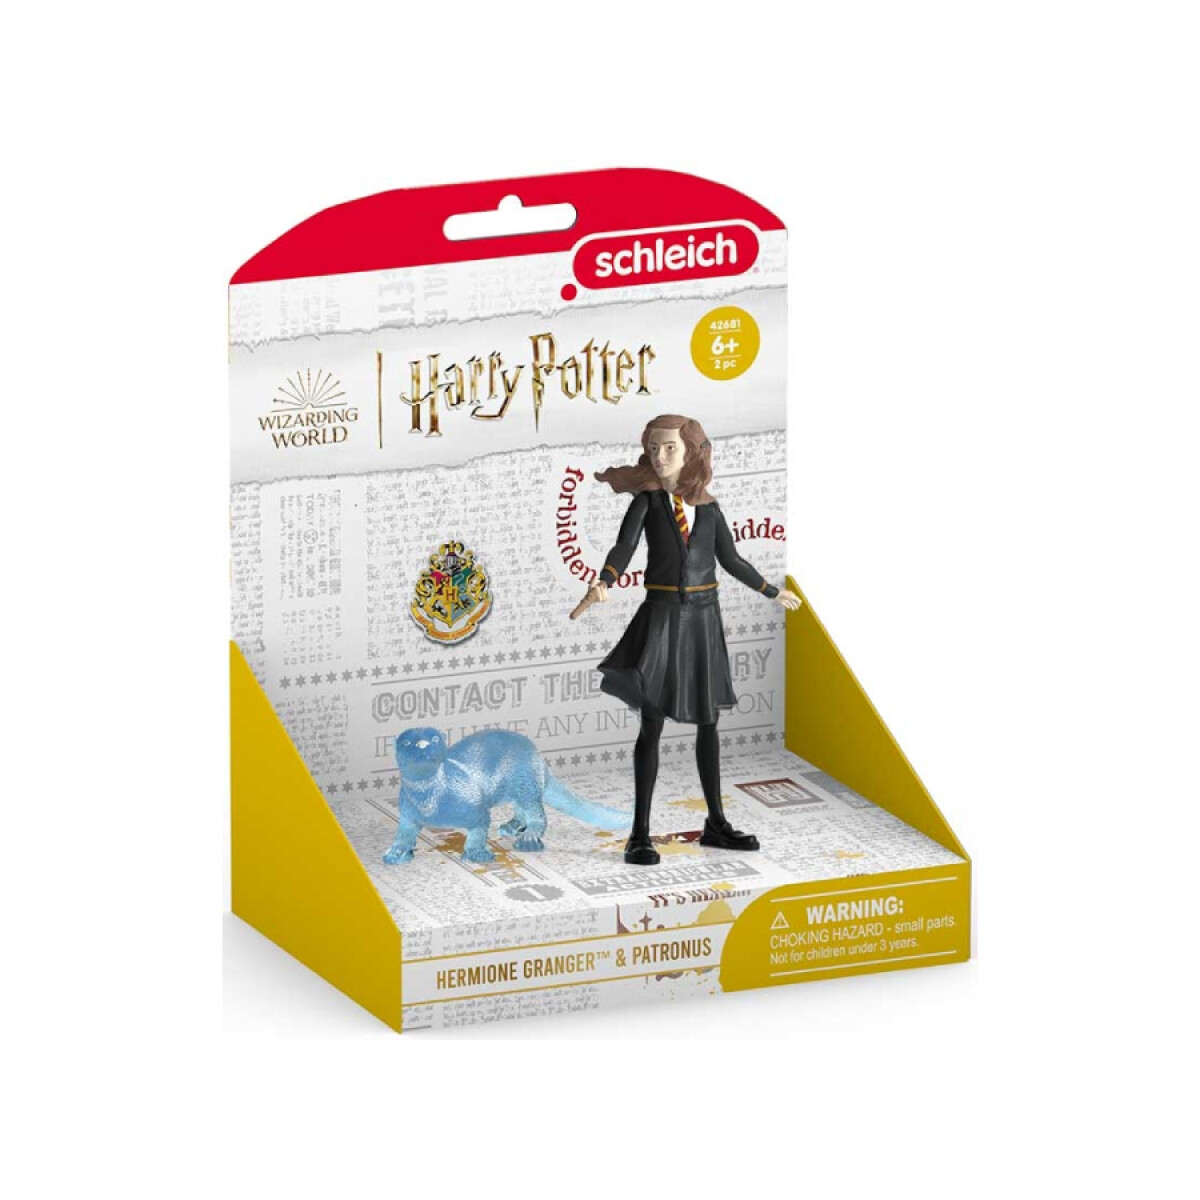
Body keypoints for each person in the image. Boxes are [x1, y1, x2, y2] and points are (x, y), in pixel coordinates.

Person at [580, 414, 802, 865]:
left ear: (692, 453)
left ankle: (716, 822)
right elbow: (624, 547)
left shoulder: (710, 509)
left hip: (704, 619)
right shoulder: (647, 503)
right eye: (653, 448)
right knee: (651, 722)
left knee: (709, 723)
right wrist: (605, 579)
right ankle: (639, 834)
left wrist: (771, 591)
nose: (660, 457)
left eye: (670, 448)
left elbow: (731, 560)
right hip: (662, 618)